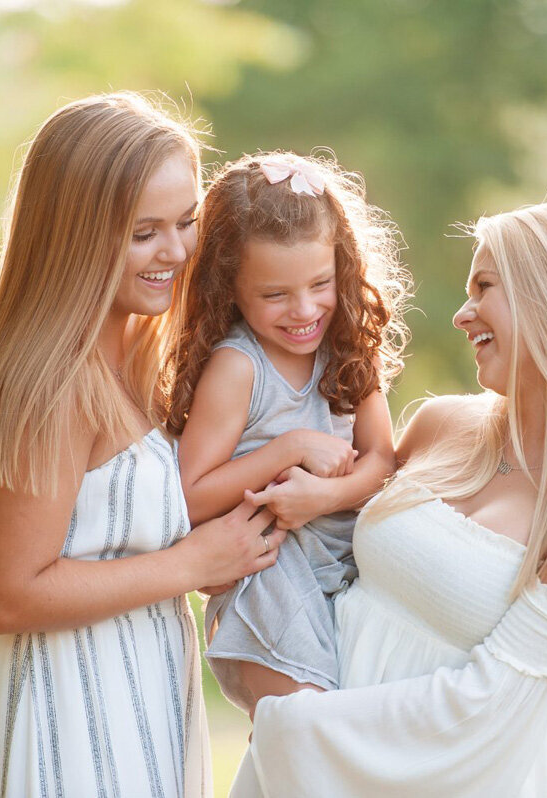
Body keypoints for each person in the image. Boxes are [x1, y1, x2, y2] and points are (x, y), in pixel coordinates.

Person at [230, 201, 547, 797]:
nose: (461, 314)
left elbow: (493, 707)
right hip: (299, 765)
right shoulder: (441, 425)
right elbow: (321, 568)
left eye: (484, 288)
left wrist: (290, 722)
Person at [0, 93, 287, 798]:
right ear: (75, 236)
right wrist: (191, 561)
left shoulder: (136, 357)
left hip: (136, 691)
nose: (175, 251)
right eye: (144, 233)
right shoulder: (54, 380)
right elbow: (7, 595)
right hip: (65, 712)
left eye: (187, 222)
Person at [165, 152, 410, 716]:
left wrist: (326, 496)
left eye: (320, 283)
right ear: (230, 287)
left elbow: (382, 460)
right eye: (275, 295)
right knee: (306, 729)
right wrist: (289, 450)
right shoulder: (238, 367)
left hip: (348, 571)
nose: (304, 310)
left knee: (345, 738)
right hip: (271, 574)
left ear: (341, 268)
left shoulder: (347, 348)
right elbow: (187, 494)